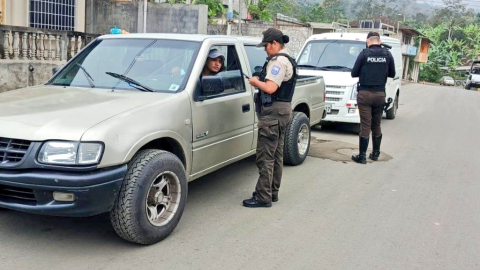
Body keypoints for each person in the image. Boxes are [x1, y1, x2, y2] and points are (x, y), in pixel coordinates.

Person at [242, 28, 297, 208]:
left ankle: (263, 196)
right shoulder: (287, 59)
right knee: (276, 154)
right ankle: (272, 192)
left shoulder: (279, 61)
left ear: (274, 43)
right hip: (280, 112)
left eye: (266, 45)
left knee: (265, 156)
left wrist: (256, 82)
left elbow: (271, 88)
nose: (265, 49)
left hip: (273, 113)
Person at [350, 32, 395, 164]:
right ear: (379, 41)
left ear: (368, 41)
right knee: (377, 125)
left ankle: (362, 156)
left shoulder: (364, 54)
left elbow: (354, 73)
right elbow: (392, 73)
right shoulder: (387, 54)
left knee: (365, 125)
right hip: (380, 94)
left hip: (364, 94)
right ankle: (375, 154)